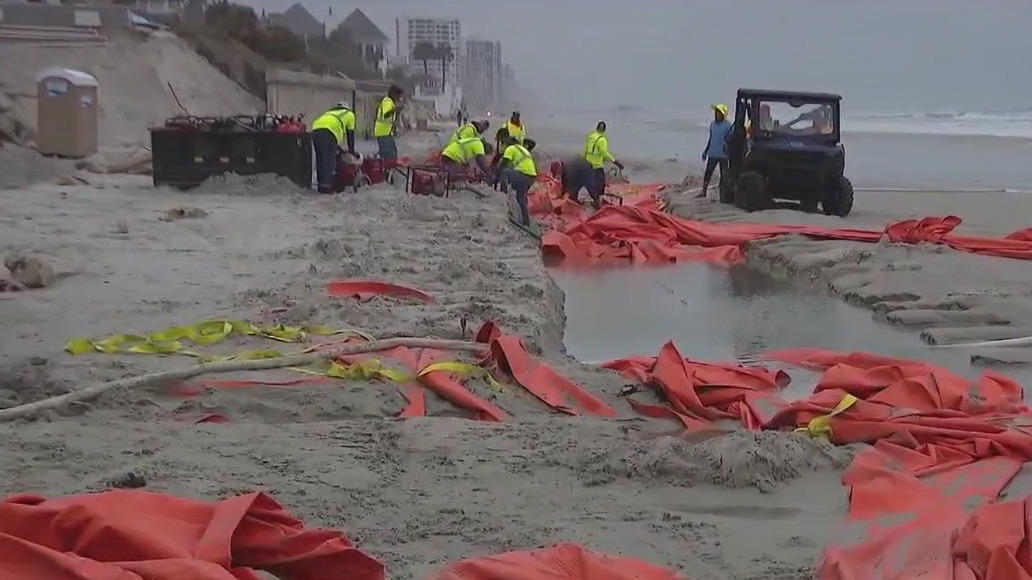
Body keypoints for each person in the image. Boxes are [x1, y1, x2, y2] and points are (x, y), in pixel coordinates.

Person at [310, 101, 357, 194]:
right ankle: (327, 188)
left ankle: (321, 186)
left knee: (320, 159)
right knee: (329, 161)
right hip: (329, 132)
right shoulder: (350, 114)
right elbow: (350, 134)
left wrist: (339, 149)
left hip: (315, 130)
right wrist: (352, 151)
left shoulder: (329, 113)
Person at [497, 137, 538, 226]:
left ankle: (502, 197)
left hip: (523, 174)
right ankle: (526, 222)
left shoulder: (511, 148)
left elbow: (503, 164)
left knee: (505, 172)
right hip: (531, 176)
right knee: (521, 198)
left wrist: (496, 178)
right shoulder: (523, 150)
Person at [698, 103, 733, 199]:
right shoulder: (712, 124)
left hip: (723, 155)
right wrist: (706, 151)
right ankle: (703, 192)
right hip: (713, 153)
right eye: (715, 112)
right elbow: (711, 138)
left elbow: (731, 139)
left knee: (724, 175)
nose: (716, 114)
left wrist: (728, 150)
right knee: (708, 172)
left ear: (723, 114)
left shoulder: (728, 125)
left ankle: (724, 195)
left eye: (718, 112)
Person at [583, 121, 624, 201]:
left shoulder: (591, 136)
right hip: (597, 165)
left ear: (596, 128)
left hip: (588, 162)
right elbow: (604, 153)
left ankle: (595, 197)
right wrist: (615, 162)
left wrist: (584, 159)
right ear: (604, 130)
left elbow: (587, 149)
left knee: (591, 181)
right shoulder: (602, 140)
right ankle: (597, 200)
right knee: (601, 183)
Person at [374, 85, 404, 164]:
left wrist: (393, 129)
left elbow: (390, 120)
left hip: (387, 133)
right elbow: (386, 115)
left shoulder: (391, 103)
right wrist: (395, 109)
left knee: (392, 154)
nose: (399, 98)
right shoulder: (387, 101)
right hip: (383, 132)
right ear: (394, 94)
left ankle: (388, 171)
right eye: (398, 96)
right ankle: (383, 171)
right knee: (387, 156)